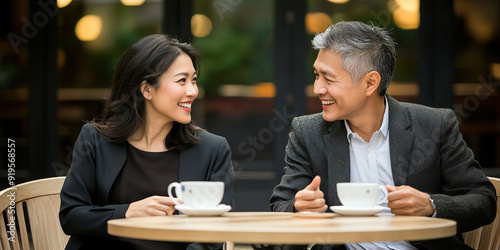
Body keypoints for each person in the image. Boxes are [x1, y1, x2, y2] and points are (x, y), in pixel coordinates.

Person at [270, 21, 496, 250]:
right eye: (317, 75)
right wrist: (298, 208)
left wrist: (431, 205)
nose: (318, 88)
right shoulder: (307, 132)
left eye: (328, 79)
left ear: (370, 83)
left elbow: (483, 200)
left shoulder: (434, 125)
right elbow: (281, 206)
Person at [59, 34, 234, 250]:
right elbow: (71, 216)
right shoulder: (95, 140)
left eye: (194, 80)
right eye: (182, 80)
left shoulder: (212, 150)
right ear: (147, 89)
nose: (193, 91)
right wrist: (128, 212)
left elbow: (213, 233)